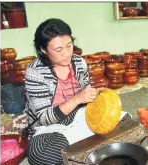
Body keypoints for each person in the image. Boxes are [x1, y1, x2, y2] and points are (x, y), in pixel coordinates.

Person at [24, 18, 101, 165]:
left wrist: (95, 96)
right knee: (40, 156)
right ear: (43, 50)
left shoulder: (79, 63)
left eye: (69, 45)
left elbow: (87, 98)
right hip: (49, 127)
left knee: (122, 119)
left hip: (78, 116)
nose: (66, 54)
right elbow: (44, 118)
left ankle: (80, 145)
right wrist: (77, 99)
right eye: (58, 50)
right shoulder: (35, 72)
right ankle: (86, 144)